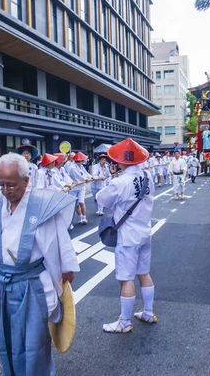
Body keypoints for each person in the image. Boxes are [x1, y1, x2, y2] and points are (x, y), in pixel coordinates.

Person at [0, 153, 79, 375]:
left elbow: (60, 240)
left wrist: (66, 272)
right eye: (1, 184)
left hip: (33, 284)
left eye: (11, 185)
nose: (6, 191)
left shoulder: (42, 206)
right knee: (5, 337)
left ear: (26, 180)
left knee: (34, 343)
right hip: (3, 283)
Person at [96, 138, 156, 333]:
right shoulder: (148, 176)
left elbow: (102, 199)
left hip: (128, 236)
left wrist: (113, 178)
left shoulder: (120, 182)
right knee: (144, 273)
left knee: (126, 278)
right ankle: (148, 311)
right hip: (145, 231)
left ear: (120, 161)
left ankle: (125, 322)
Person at [67, 151, 93, 225]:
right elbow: (78, 176)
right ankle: (80, 217)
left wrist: (91, 177)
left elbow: (85, 173)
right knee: (75, 205)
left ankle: (84, 218)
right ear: (80, 160)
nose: (84, 161)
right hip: (74, 187)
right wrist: (85, 179)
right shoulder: (72, 167)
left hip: (81, 187)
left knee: (81, 202)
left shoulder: (81, 166)